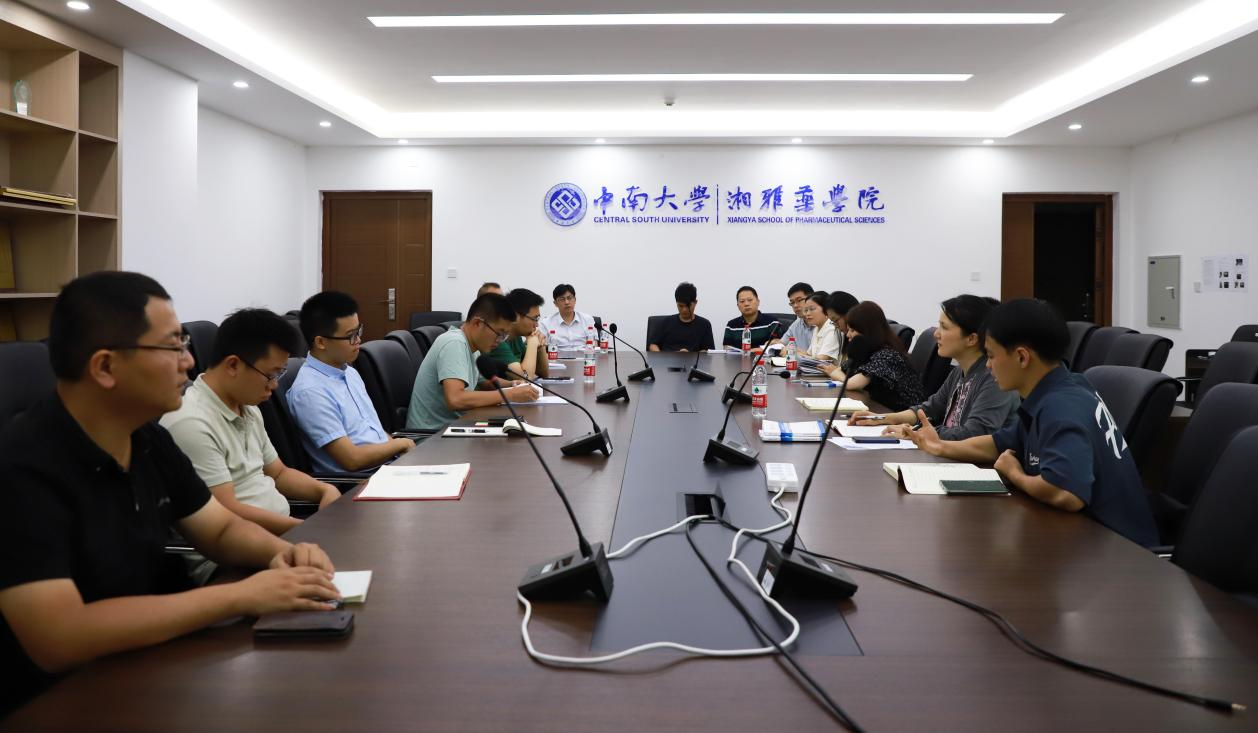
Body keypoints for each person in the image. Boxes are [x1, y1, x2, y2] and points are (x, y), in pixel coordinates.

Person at [0, 272, 340, 714]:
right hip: (61, 700)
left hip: (142, 664)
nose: (189, 362)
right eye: (173, 347)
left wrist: (284, 553)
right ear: (105, 367)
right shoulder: (22, 465)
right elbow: (59, 637)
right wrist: (242, 594)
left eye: (185, 343)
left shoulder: (146, 438)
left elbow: (219, 528)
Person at [901, 299, 1158, 546]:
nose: (987, 365)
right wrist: (940, 446)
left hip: (1116, 551)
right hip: (1085, 538)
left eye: (991, 355)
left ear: (1022, 357)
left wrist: (1015, 474)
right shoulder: (1059, 388)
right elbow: (997, 444)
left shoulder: (1061, 406)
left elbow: (1066, 493)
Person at [161, 309, 340, 543]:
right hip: (237, 550)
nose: (274, 386)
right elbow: (226, 512)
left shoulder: (247, 406)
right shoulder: (191, 423)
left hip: (280, 534)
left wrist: (324, 490)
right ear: (233, 365)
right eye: (271, 375)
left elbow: (279, 473)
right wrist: (306, 529)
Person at [850, 294, 1019, 440]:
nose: (936, 333)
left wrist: (914, 432)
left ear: (971, 339)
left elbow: (974, 433)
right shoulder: (959, 371)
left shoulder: (994, 377)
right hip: (947, 455)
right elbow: (929, 409)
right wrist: (882, 418)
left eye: (944, 327)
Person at [287, 291, 415, 472]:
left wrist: (398, 450)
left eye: (358, 331)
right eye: (350, 336)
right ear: (321, 342)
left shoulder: (349, 373)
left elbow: (374, 432)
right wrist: (400, 444)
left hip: (387, 467)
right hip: (359, 481)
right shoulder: (310, 391)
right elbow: (352, 459)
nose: (358, 340)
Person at [407, 292, 538, 431]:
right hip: (432, 435)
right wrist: (510, 395)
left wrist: (513, 384)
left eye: (504, 336)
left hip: (456, 427)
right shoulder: (454, 343)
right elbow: (456, 399)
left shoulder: (472, 347)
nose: (500, 341)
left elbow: (484, 382)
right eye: (499, 333)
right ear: (477, 323)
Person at [824, 300, 924, 411]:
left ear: (867, 331)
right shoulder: (867, 351)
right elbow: (839, 370)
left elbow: (851, 384)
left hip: (903, 416)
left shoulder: (887, 355)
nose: (848, 335)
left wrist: (841, 377)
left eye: (852, 330)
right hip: (880, 410)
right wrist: (840, 375)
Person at [488, 288, 551, 381]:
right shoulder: (497, 341)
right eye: (535, 318)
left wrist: (541, 345)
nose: (537, 324)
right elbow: (526, 378)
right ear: (515, 316)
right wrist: (532, 344)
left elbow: (543, 373)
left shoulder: (516, 338)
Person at [648, 281, 715, 352]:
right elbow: (653, 345)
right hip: (668, 358)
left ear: (695, 302)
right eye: (680, 306)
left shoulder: (704, 325)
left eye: (688, 306)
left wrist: (691, 356)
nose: (684, 310)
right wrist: (662, 356)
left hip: (694, 359)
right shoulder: (666, 322)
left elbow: (708, 351)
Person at [541, 284, 597, 351]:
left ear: (575, 300)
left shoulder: (587, 320)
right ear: (555, 303)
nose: (567, 302)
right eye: (562, 299)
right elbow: (542, 348)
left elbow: (595, 345)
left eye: (569, 298)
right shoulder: (546, 323)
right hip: (557, 356)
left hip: (584, 356)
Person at [769, 282, 815, 352]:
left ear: (811, 299)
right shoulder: (796, 324)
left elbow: (820, 356)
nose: (795, 305)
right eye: (792, 302)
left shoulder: (823, 324)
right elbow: (783, 343)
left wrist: (794, 351)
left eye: (799, 300)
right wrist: (775, 343)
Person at [797, 291, 840, 360]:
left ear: (825, 309)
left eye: (812, 309)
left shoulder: (832, 329)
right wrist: (792, 350)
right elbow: (810, 355)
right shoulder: (817, 328)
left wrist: (794, 354)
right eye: (806, 310)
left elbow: (821, 359)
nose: (807, 314)